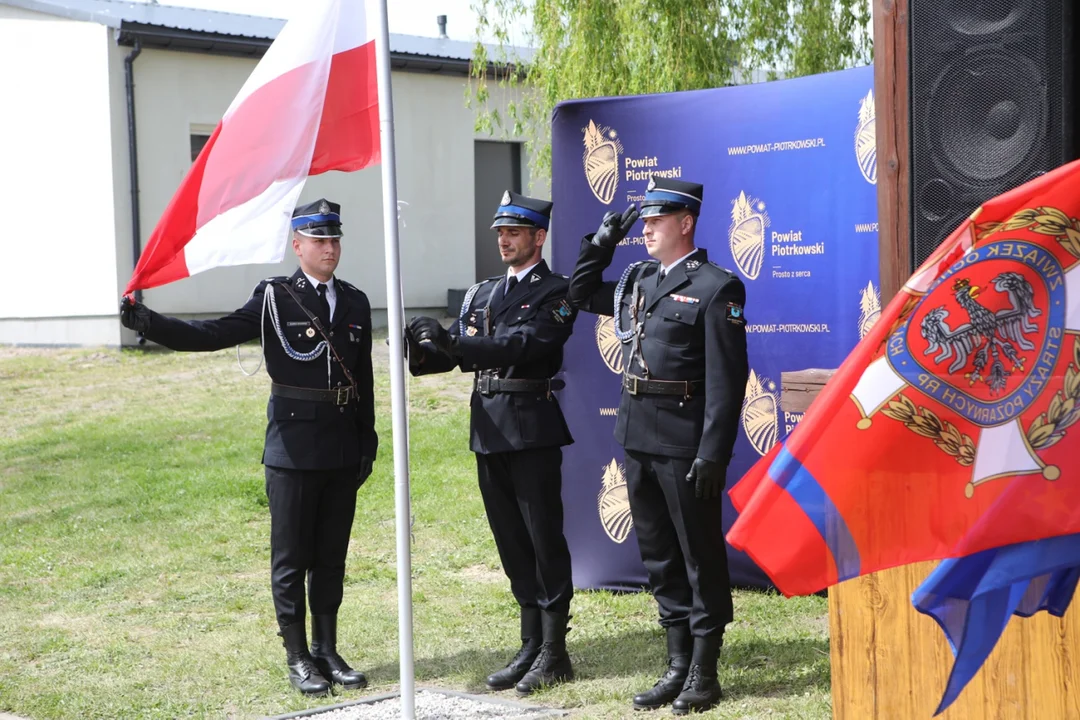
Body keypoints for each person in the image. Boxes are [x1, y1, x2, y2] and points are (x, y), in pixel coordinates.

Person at [119, 199, 378, 698]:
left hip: (342, 446)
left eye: (334, 239)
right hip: (293, 447)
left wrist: (366, 439)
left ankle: (327, 648)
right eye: (318, 239)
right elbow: (211, 334)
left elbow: (362, 377)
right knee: (291, 556)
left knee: (331, 555)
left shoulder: (356, 301)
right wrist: (147, 322)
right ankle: (298, 656)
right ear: (296, 245)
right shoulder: (275, 298)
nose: (329, 248)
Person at [566, 176, 749, 714]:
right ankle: (675, 663)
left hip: (685, 444)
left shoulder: (717, 288)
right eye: (643, 220)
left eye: (656, 219)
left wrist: (713, 453)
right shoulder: (642, 279)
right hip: (638, 436)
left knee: (699, 557)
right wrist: (599, 244)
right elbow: (579, 295)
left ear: (685, 223)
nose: (645, 228)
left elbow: (727, 381)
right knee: (659, 557)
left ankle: (703, 671)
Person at [406, 190, 578, 697]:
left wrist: (453, 342)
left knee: (543, 539)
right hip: (489, 428)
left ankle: (555, 649)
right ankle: (529, 643)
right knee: (511, 541)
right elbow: (449, 353)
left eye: (515, 232)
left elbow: (525, 345)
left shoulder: (557, 291)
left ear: (538, 237)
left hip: (531, 427)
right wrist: (420, 339)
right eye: (500, 233)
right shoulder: (481, 293)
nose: (504, 240)